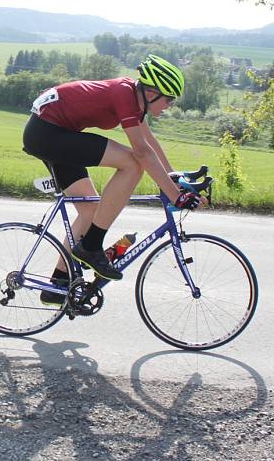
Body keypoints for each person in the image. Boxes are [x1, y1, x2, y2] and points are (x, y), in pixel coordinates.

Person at [22, 54, 204, 306]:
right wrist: (176, 195)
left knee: (90, 210)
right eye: (169, 99)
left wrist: (174, 179)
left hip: (55, 133)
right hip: (48, 133)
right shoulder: (124, 94)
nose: (170, 105)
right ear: (151, 92)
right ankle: (92, 245)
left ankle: (57, 285)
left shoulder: (135, 100)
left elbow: (149, 142)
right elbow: (141, 152)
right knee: (131, 164)